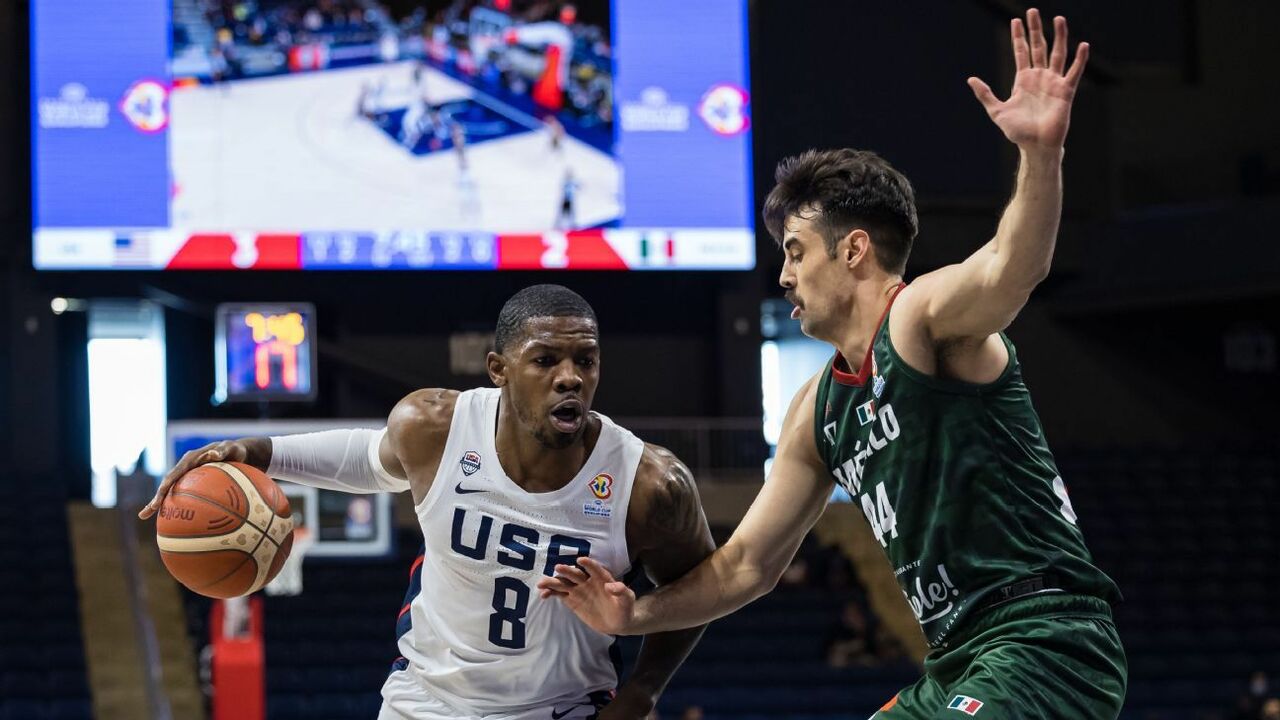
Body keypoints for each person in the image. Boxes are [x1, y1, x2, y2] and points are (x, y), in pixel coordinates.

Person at [540, 10, 1127, 718]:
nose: (783, 277)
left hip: (1045, 642)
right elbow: (747, 565)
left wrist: (1040, 154)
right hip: (957, 658)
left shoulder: (921, 317)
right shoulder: (816, 411)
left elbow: (1012, 267)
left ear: (853, 250)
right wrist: (632, 616)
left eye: (795, 251)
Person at [141, 284, 715, 719]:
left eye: (584, 361)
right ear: (499, 371)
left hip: (562, 708)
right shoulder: (435, 427)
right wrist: (255, 450)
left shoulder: (649, 484)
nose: (569, 378)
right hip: (427, 704)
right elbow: (367, 458)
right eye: (545, 361)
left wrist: (642, 690)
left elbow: (702, 588)